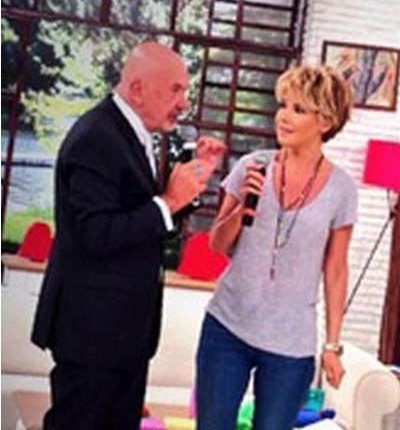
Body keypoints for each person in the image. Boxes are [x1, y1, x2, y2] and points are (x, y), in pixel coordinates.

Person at [31, 42, 226, 429]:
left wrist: (189, 183)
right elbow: (95, 233)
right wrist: (169, 201)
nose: (184, 102)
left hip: (122, 336)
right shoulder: (96, 137)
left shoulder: (129, 134)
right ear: (137, 88)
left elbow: (139, 217)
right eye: (175, 90)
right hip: (93, 334)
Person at [198, 65, 357, 430]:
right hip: (227, 327)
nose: (283, 116)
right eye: (283, 105)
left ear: (325, 121)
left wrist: (332, 345)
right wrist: (242, 205)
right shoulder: (251, 166)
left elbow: (336, 270)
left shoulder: (342, 190)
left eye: (298, 109)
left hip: (290, 344)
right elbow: (217, 244)